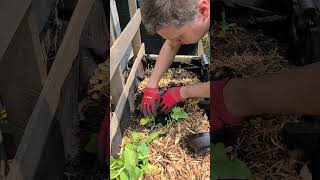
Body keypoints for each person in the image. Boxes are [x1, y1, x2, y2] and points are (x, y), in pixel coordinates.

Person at [140, 0, 320, 131]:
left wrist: (184, 92)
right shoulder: (192, 11)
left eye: (179, 36)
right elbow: (172, 43)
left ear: (203, 10)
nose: (176, 41)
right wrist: (152, 85)